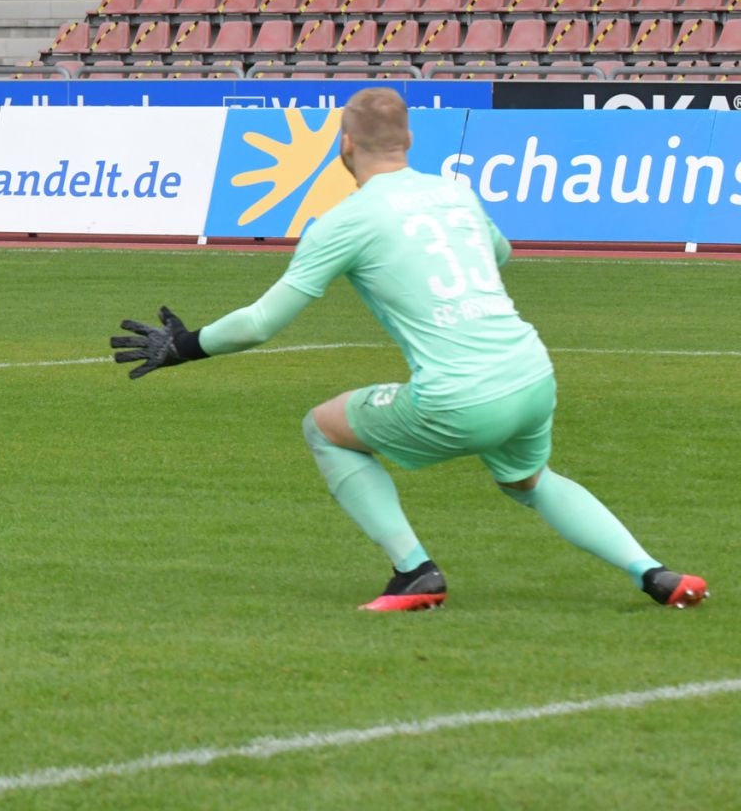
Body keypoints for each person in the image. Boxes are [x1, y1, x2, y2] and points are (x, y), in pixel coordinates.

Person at [111, 87, 707, 613]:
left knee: (324, 429)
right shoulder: (454, 192)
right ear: (410, 140)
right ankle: (654, 573)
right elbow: (500, 254)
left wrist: (184, 346)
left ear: (344, 144)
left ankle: (414, 570)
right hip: (530, 373)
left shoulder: (345, 221)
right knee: (530, 481)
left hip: (459, 395)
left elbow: (260, 323)